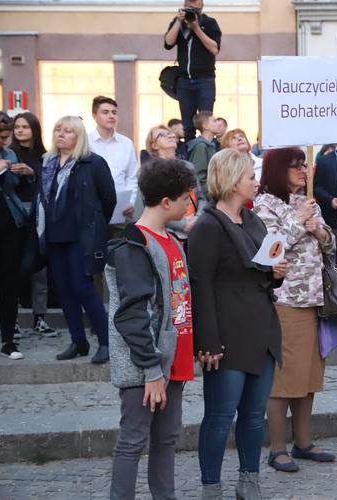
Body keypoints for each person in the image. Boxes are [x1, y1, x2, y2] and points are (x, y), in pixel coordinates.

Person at [189, 148, 287, 499]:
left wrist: (276, 273)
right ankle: (211, 487)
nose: (256, 182)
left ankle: (249, 480)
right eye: (250, 176)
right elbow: (200, 287)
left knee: (254, 415)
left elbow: (262, 271)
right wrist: (208, 342)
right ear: (232, 182)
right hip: (226, 334)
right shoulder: (207, 226)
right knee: (220, 416)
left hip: (262, 330)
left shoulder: (254, 221)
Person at [107, 158, 197, 500]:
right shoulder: (134, 244)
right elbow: (132, 314)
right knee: (133, 439)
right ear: (166, 202)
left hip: (171, 360)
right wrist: (151, 369)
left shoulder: (170, 238)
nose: (190, 205)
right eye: (186, 198)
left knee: (166, 439)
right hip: (144, 365)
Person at [253, 147, 337, 473]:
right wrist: (300, 221)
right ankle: (277, 448)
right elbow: (270, 249)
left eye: (304, 165)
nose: (303, 171)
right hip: (286, 299)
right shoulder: (264, 204)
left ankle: (304, 442)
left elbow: (331, 244)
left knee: (309, 376)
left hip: (315, 299)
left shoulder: (307, 200)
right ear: (278, 170)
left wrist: (319, 230)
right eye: (295, 166)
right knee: (285, 377)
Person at [40, 116, 115, 363]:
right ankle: (78, 342)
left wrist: (94, 226)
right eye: (58, 129)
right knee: (64, 290)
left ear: (79, 135)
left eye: (68, 131)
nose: (61, 134)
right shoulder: (48, 163)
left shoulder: (93, 163)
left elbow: (108, 199)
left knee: (83, 288)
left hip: (80, 238)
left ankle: (105, 342)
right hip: (54, 236)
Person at [9, 111, 56, 337]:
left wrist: (32, 173)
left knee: (39, 268)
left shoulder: (45, 156)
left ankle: (40, 318)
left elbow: (49, 183)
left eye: (25, 127)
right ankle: (12, 319)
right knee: (14, 267)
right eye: (17, 127)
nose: (20, 130)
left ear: (34, 129)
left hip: (39, 215)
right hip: (14, 215)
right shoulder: (8, 154)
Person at [0, 111, 33, 360]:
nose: (6, 141)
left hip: (10, 223)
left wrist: (25, 173)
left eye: (7, 136)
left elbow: (14, 187)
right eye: (1, 136)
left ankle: (8, 341)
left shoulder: (9, 154)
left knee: (9, 283)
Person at [134, 125, 207, 243]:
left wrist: (198, 218)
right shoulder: (148, 172)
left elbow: (201, 197)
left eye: (170, 134)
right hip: (166, 234)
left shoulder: (188, 167)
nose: (170, 136)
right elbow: (148, 209)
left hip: (194, 232)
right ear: (154, 145)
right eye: (162, 135)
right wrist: (183, 225)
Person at [164, 0, 222, 142]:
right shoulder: (178, 23)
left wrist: (196, 28)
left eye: (197, 10)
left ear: (202, 9)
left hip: (205, 79)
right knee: (187, 125)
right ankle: (190, 153)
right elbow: (168, 43)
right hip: (184, 80)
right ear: (184, 7)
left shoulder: (209, 23)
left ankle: (206, 149)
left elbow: (214, 49)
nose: (194, 12)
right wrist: (178, 21)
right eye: (190, 9)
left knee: (206, 122)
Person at [88, 96, 139, 237]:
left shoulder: (126, 143)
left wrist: (131, 202)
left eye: (114, 112)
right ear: (94, 116)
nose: (111, 116)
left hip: (120, 214)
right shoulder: (85, 142)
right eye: (105, 112)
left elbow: (132, 177)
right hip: (92, 215)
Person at [188, 111, 219, 195]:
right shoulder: (200, 146)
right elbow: (199, 177)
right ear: (205, 126)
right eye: (214, 121)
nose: (218, 123)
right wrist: (210, 196)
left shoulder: (212, 145)